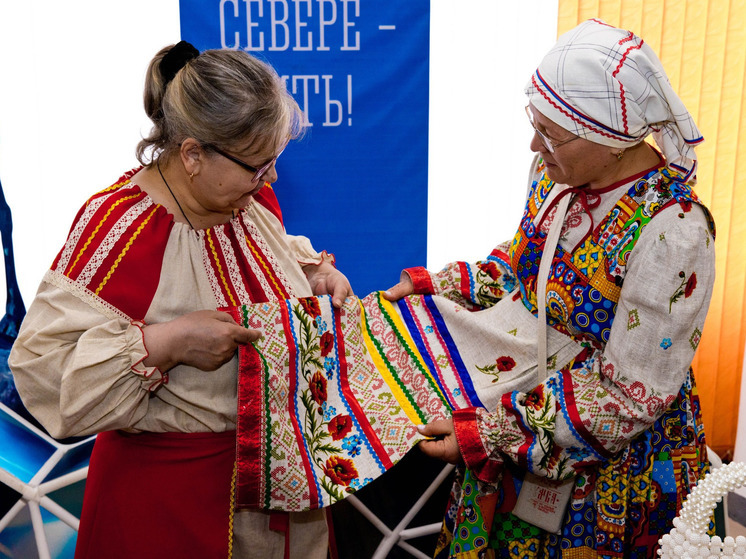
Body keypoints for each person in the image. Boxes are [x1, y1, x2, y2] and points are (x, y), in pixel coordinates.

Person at [384, 19, 716, 558]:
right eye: (534, 123)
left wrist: (490, 432)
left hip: (608, 466)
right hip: (519, 419)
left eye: (551, 132)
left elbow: (628, 397)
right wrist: (441, 287)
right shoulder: (554, 173)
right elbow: (524, 269)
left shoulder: (673, 232)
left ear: (612, 141)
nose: (534, 143)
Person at [9, 41, 352, 558]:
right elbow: (41, 371)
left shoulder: (244, 196)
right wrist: (165, 343)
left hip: (271, 495)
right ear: (192, 154)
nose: (272, 179)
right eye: (259, 166)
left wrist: (316, 273)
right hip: (167, 508)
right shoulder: (123, 230)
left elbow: (266, 260)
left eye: (273, 161)